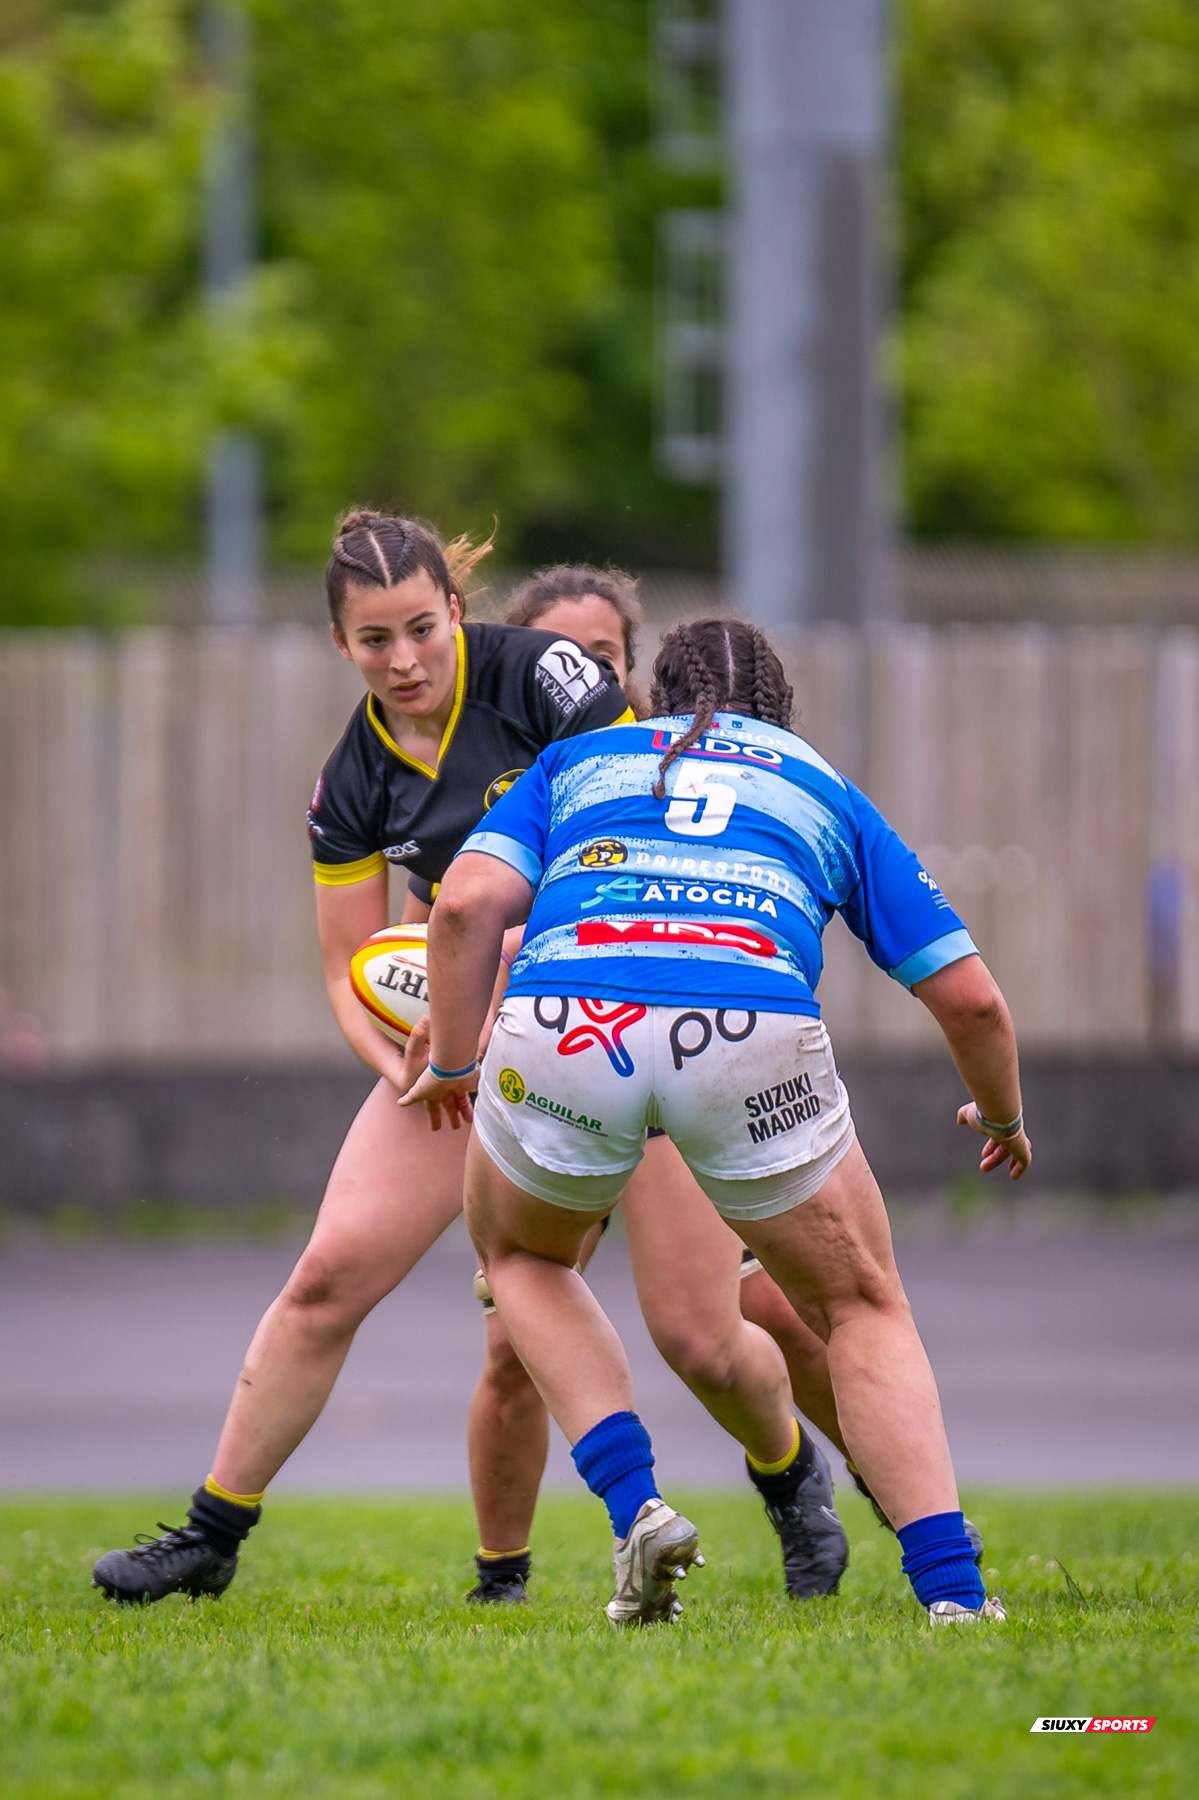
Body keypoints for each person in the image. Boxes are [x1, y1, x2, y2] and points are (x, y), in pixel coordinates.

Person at [402, 617, 1030, 1626]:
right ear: (781, 711)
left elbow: (464, 910)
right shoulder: (815, 783)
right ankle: (952, 1596)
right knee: (860, 1307)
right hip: (747, 1035)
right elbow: (971, 1003)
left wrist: (451, 1062)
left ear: (654, 696)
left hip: (569, 1024)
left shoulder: (579, 760)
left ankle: (636, 1505)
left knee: (522, 1261)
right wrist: (999, 1114)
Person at [90, 513, 635, 1606]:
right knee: (328, 1275)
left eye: (422, 630)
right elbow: (349, 972)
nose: (404, 661)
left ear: (455, 612)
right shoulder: (351, 780)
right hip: (469, 1047)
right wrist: (408, 1065)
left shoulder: (546, 681)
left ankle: (802, 1498)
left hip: (621, 1008)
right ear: (340, 645)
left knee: (707, 1333)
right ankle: (210, 1534)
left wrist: (495, 969)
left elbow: (634, 845)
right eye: (375, 640)